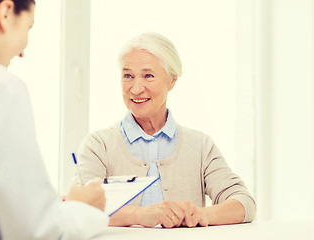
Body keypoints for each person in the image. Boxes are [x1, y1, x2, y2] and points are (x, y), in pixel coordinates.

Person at [0, 0, 108, 239]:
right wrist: (81, 208)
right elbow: (36, 231)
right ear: (6, 13)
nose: (23, 51)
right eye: (28, 27)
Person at [72, 32, 256, 228]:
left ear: (172, 80)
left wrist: (201, 214)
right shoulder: (99, 145)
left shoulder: (200, 146)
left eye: (148, 75)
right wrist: (138, 215)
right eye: (128, 76)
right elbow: (78, 209)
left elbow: (244, 203)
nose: (135, 89)